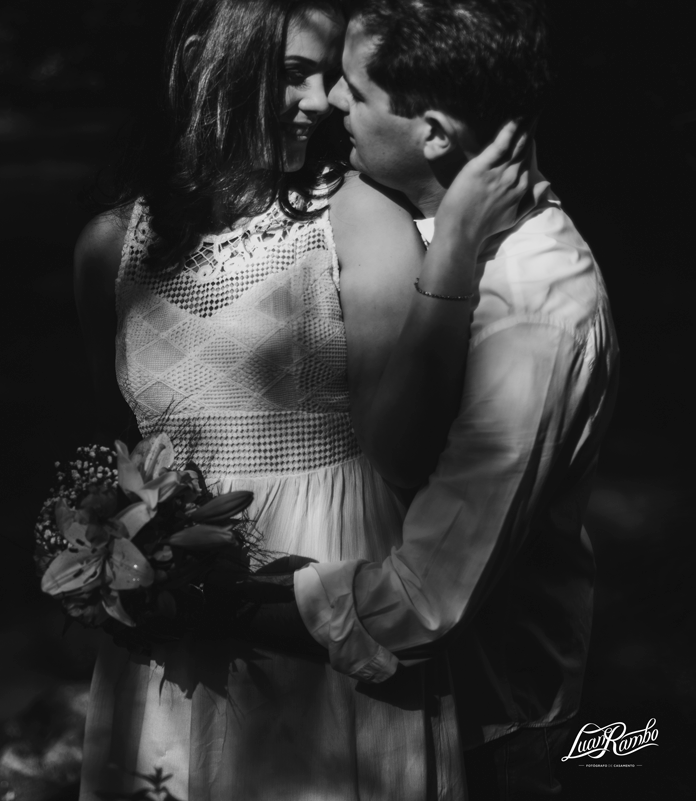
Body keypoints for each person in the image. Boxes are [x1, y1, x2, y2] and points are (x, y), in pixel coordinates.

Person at [72, 1, 532, 798]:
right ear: (206, 61)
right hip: (171, 620)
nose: (321, 102)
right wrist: (101, 553)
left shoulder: (356, 220)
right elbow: (113, 451)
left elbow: (410, 453)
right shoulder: (110, 249)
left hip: (328, 590)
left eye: (327, 77)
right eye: (292, 74)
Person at [233, 2, 619, 799]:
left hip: (492, 730)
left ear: (435, 134)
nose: (331, 102)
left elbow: (423, 600)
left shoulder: (535, 314)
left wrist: (218, 601)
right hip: (377, 706)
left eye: (354, 87)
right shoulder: (409, 224)